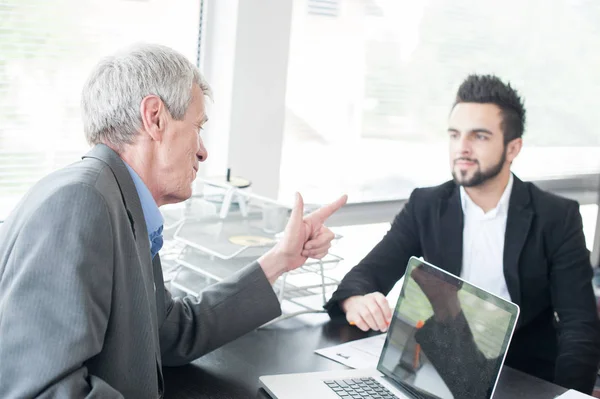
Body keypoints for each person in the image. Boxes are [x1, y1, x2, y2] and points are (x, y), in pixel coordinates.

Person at [0, 43, 347, 398]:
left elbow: (168, 331)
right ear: (155, 118)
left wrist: (280, 260)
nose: (203, 150)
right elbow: (44, 390)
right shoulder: (80, 202)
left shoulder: (120, 202)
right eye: (197, 126)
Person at [325, 74, 600, 394]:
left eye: (479, 136)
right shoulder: (426, 205)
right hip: (437, 370)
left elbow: (579, 327)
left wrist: (569, 395)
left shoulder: (555, 216)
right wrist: (357, 300)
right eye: (455, 135)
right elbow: (365, 276)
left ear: (513, 148)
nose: (462, 148)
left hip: (520, 375)